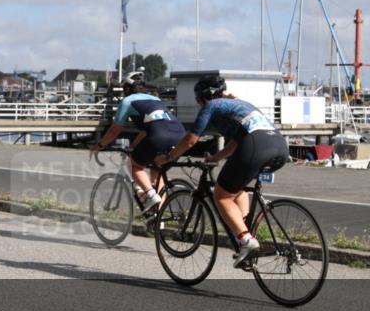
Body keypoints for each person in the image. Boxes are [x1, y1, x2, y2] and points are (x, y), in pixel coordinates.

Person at [156, 73, 289, 267]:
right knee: (237, 188)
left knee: (221, 195)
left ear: (202, 97)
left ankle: (246, 239)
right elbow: (235, 142)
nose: (198, 103)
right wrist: (216, 158)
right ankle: (244, 231)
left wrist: (168, 157)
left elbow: (191, 140)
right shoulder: (239, 104)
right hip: (279, 146)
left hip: (256, 145)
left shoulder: (211, 106)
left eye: (197, 99)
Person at [90, 71, 186, 213]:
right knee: (157, 172)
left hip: (159, 136)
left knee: (135, 165)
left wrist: (99, 145)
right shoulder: (155, 99)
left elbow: (113, 131)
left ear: (127, 88)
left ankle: (151, 195)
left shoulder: (128, 101)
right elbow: (147, 130)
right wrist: (134, 146)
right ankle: (160, 217)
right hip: (180, 135)